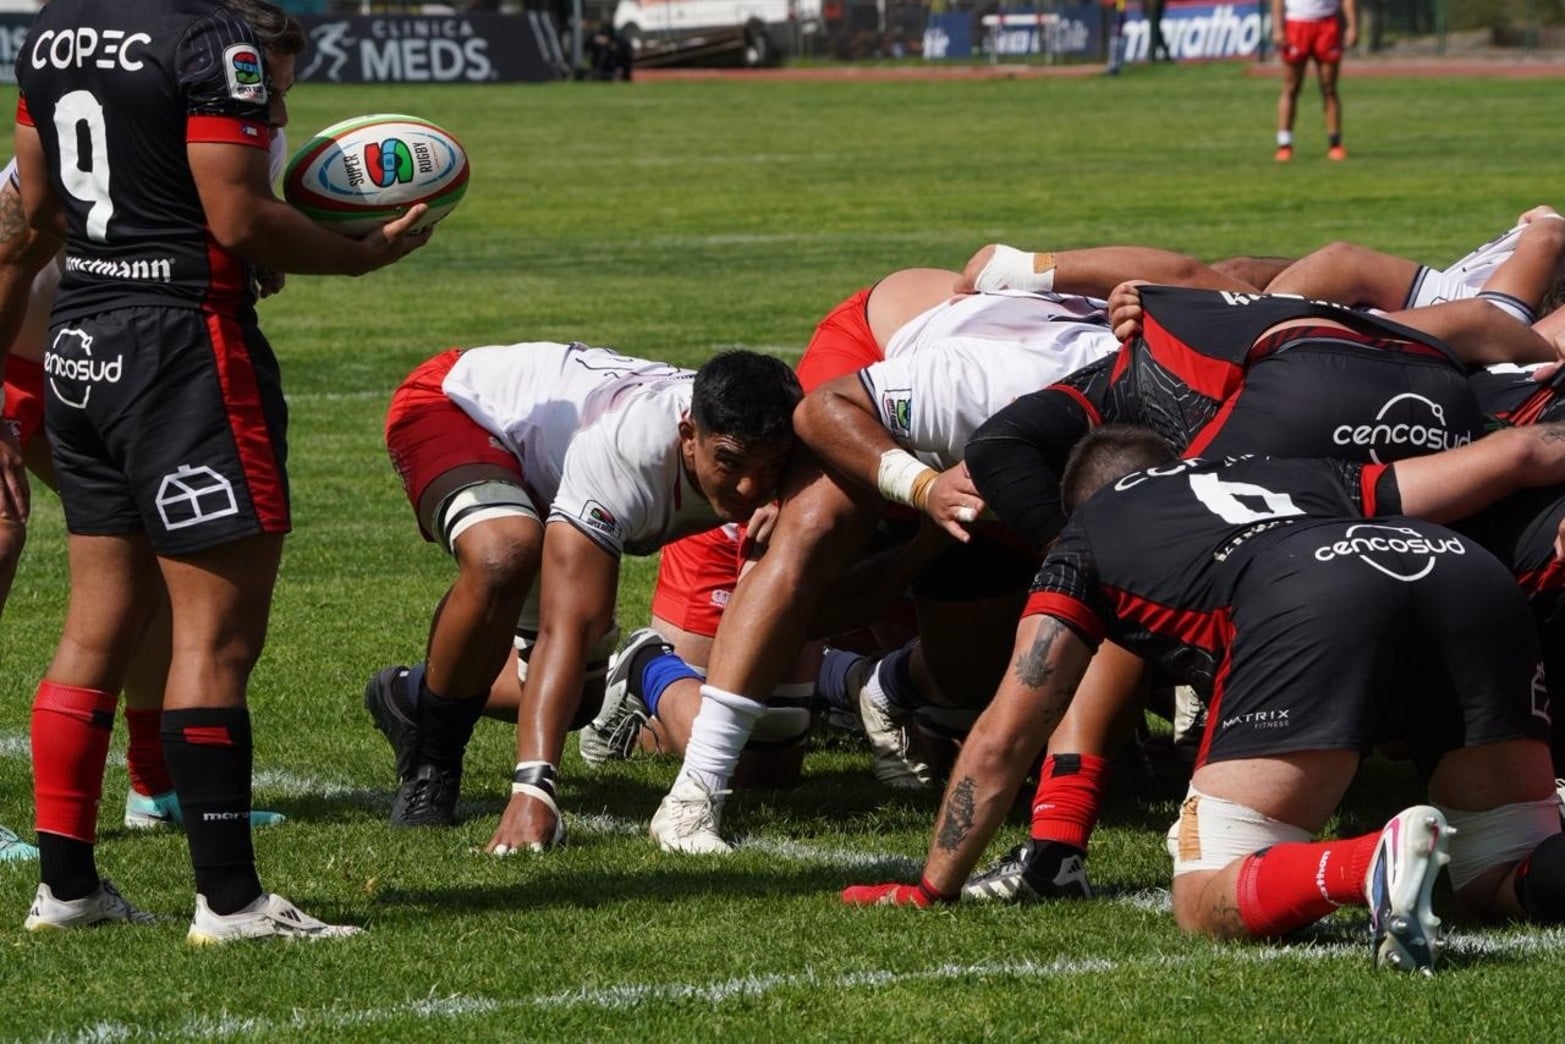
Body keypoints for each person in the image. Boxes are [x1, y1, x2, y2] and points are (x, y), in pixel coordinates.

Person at [844, 422, 1565, 974]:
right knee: (1496, 878)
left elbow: (1009, 727)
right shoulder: (1282, 470)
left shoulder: (1085, 537)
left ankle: (1367, 861)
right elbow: (1509, 454)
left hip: (1308, 594)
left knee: (1203, 898)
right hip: (1458, 568)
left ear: (1079, 504)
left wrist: (933, 887)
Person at [15, 0, 430, 942]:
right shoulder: (208, 37)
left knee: (94, 629)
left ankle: (68, 888)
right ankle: (232, 902)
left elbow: (39, 208)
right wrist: (359, 258)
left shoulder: (48, 28)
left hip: (81, 340)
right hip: (181, 347)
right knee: (216, 638)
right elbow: (239, 217)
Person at [645, 248, 1260, 853]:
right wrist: (922, 487)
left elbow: (1256, 275)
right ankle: (693, 790)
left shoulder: (1219, 411)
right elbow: (820, 409)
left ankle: (879, 682)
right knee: (820, 525)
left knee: (972, 692)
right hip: (882, 353)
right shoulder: (964, 393)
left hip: (1029, 411)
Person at [362, 344, 800, 855]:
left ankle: (410, 694)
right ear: (688, 436)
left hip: (560, 459)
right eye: (729, 461)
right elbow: (569, 627)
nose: (750, 486)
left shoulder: (795, 446)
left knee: (579, 706)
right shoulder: (628, 448)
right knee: (504, 554)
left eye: (770, 468)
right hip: (459, 403)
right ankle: (433, 761)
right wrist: (534, 789)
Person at [0, 143, 294, 861]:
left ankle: (155, 786)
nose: (278, 113)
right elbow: (12, 242)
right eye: (270, 89)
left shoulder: (250, 132)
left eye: (286, 93)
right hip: (10, 343)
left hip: (89, 356)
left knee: (158, 549)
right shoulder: (114, 109)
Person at [1271, 0, 1357, 161]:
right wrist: (1277, 28)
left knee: (1329, 87)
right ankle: (1284, 144)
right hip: (1296, 24)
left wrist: (1352, 26)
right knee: (1291, 87)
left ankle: (1335, 143)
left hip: (1327, 24)